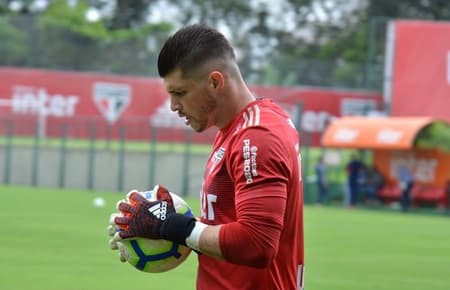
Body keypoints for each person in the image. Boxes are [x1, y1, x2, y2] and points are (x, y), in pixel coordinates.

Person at [109, 24, 304, 290]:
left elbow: (257, 243)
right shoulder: (236, 129)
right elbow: (228, 227)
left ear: (215, 82)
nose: (173, 106)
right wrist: (157, 225)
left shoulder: (257, 136)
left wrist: (175, 226)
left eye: (180, 93)